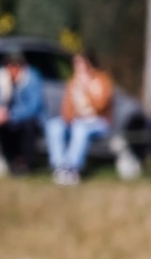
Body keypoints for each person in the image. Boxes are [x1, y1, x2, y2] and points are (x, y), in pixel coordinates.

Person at [45, 50, 114, 185]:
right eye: (75, 63)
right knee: (54, 125)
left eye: (80, 63)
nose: (77, 66)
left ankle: (72, 168)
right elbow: (66, 109)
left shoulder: (101, 79)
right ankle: (60, 166)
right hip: (76, 121)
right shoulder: (73, 82)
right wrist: (70, 117)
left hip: (98, 121)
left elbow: (101, 105)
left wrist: (85, 89)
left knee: (80, 128)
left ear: (88, 63)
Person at [0, 50, 44, 176]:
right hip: (3, 118)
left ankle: (24, 164)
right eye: (9, 65)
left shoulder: (31, 78)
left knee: (29, 125)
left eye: (15, 65)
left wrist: (10, 114)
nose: (12, 69)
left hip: (23, 119)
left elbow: (33, 107)